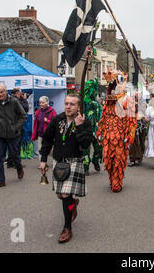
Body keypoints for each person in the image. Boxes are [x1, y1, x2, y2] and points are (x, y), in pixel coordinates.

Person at [39, 94, 92, 243]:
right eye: (66, 103)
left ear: (78, 107)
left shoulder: (84, 122)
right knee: (62, 196)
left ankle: (67, 228)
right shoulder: (58, 120)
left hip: (74, 161)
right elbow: (47, 139)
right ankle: (72, 205)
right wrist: (43, 160)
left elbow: (86, 144)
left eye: (72, 104)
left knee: (65, 195)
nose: (68, 107)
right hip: (58, 162)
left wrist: (80, 126)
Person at [0, 84, 27, 188]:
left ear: (6, 91)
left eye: (1, 92)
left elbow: (23, 116)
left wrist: (15, 128)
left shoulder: (14, 102)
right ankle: (0, 181)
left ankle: (19, 168)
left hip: (13, 135)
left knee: (14, 155)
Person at [82, 80, 103, 175]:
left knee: (98, 148)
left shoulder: (97, 105)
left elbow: (101, 118)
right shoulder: (83, 104)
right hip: (85, 131)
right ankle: (86, 167)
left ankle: (95, 160)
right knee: (85, 150)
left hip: (96, 130)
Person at [6, 88, 29, 168]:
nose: (22, 95)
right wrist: (25, 100)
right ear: (17, 93)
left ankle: (10, 162)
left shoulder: (8, 100)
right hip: (17, 126)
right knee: (17, 145)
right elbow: (25, 109)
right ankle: (16, 163)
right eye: (21, 93)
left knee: (11, 145)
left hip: (10, 126)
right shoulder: (16, 101)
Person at [31, 96, 57, 166]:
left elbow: (55, 122)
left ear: (47, 103)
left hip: (48, 134)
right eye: (40, 103)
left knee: (49, 150)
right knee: (40, 149)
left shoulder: (52, 111)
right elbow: (36, 123)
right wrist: (35, 133)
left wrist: (47, 121)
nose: (41, 104)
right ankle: (42, 163)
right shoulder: (38, 112)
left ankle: (56, 158)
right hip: (40, 133)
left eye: (42, 102)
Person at [129, 92, 148, 167]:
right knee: (133, 141)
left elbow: (143, 112)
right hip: (133, 124)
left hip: (141, 125)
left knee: (141, 141)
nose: (136, 97)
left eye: (137, 96)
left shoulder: (143, 104)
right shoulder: (131, 103)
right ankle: (132, 159)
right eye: (135, 96)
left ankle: (139, 156)